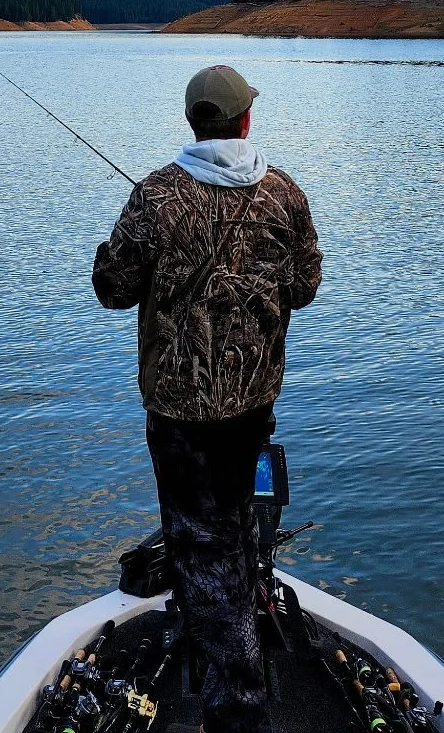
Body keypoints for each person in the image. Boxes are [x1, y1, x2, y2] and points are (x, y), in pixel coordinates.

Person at [92, 65, 322, 733]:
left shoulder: (155, 195)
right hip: (254, 403)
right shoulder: (285, 193)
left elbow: (111, 288)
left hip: (179, 413)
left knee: (200, 543)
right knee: (234, 524)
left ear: (194, 121)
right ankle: (234, 635)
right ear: (245, 119)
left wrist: (120, 252)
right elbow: (305, 287)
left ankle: (236, 710)